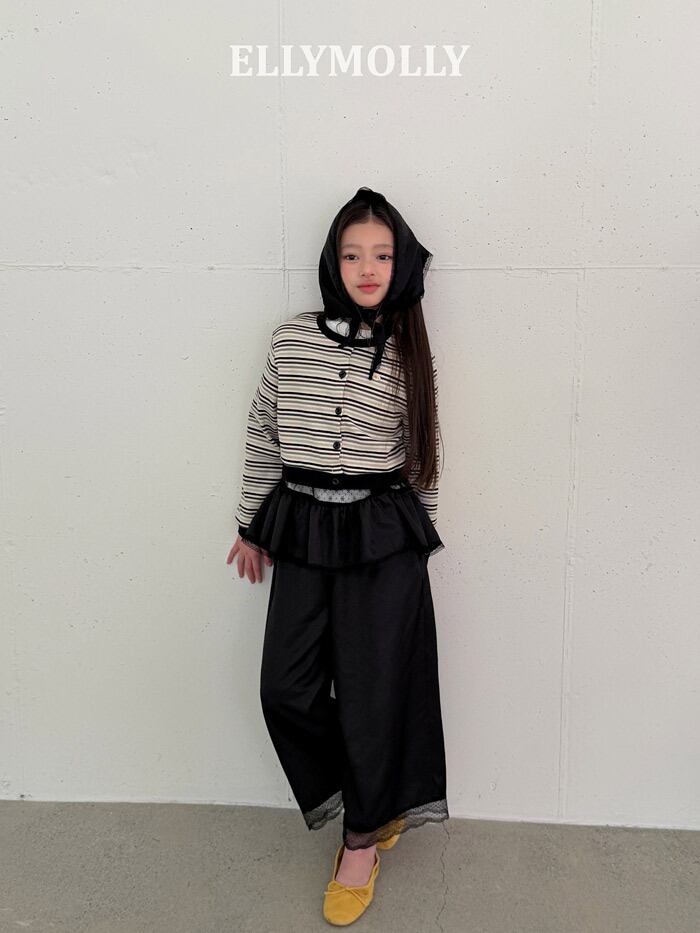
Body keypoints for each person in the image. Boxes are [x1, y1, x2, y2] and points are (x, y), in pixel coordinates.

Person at [225, 186, 449, 925]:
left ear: (401, 263)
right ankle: (372, 801)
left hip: (384, 538)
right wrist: (251, 525)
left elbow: (425, 457)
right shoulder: (290, 340)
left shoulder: (411, 350)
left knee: (371, 693)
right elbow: (263, 432)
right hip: (302, 526)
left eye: (382, 255)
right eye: (353, 255)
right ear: (333, 262)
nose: (367, 268)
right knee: (284, 689)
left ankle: (361, 841)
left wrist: (418, 547)